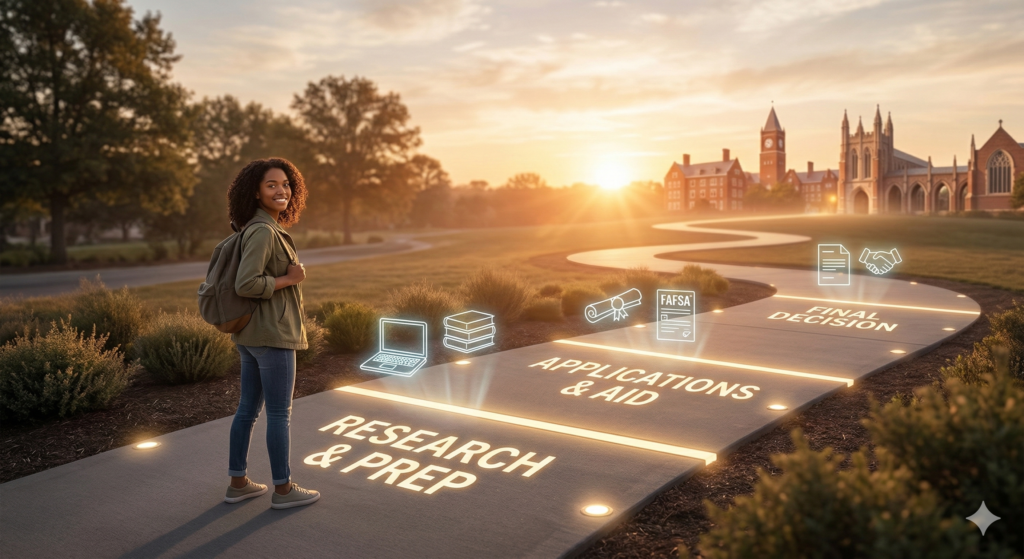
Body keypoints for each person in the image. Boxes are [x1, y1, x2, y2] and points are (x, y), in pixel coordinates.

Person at [222, 158, 319, 510]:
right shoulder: (263, 230)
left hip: (252, 335)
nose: (282, 190)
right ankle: (283, 490)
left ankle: (238, 483)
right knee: (279, 413)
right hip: (272, 335)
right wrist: (289, 280)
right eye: (271, 185)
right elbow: (246, 283)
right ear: (256, 192)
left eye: (286, 184)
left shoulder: (259, 227)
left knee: (247, 409)